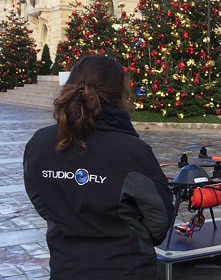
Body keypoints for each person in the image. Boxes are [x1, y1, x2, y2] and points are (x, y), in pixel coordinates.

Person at [23, 55, 174, 280]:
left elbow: (41, 201)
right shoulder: (132, 152)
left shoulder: (39, 144)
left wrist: (68, 221)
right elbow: (159, 219)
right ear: (119, 96)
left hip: (66, 268)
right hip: (126, 269)